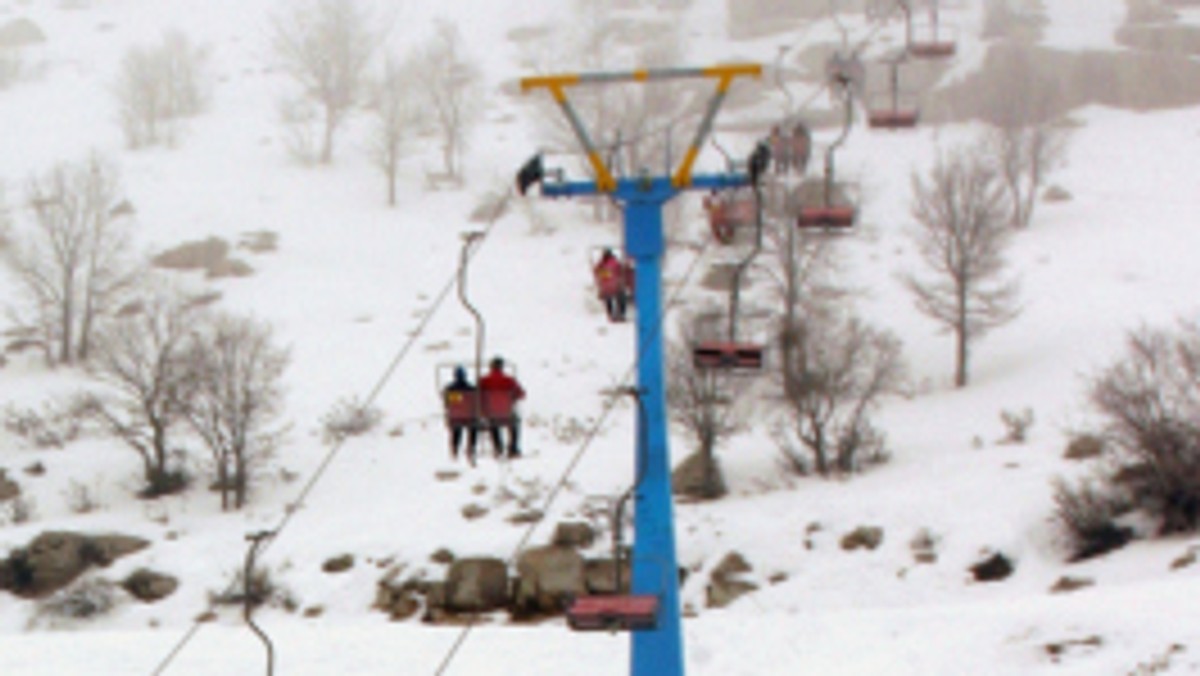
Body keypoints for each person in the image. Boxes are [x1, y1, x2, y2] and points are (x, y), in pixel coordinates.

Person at [479, 356, 526, 458]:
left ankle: (498, 447)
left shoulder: (484, 381)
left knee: (493, 424)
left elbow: (478, 396)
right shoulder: (509, 380)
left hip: (491, 414)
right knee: (515, 424)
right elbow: (521, 394)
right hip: (506, 413)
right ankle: (513, 448)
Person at [443, 365, 479, 464]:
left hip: (456, 417)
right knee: (473, 428)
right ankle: (471, 447)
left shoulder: (450, 389)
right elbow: (476, 403)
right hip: (470, 417)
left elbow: (448, 404)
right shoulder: (471, 388)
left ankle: (455, 448)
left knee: (456, 430)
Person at [594, 249, 629, 322]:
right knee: (621, 296)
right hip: (615, 285)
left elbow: (598, 273)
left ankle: (611, 314)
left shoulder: (601, 264)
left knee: (608, 298)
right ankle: (621, 313)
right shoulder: (615, 263)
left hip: (606, 287)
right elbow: (619, 271)